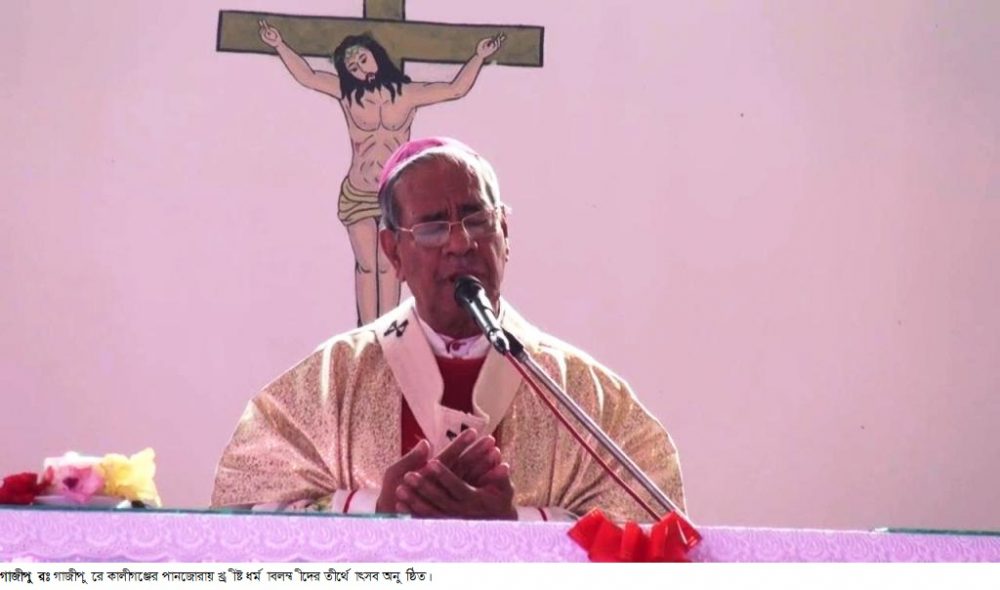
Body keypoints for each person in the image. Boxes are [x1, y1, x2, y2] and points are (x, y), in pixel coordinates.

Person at [212, 138, 685, 522]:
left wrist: (515, 528)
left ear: (505, 233)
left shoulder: (584, 395)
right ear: (393, 252)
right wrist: (374, 511)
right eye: (435, 228)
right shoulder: (328, 384)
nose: (461, 243)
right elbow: (241, 514)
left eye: (477, 219)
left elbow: (655, 530)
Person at [257, 20, 506, 326]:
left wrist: (479, 57)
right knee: (366, 266)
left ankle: (385, 331)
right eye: (351, 65)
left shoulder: (406, 94)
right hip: (358, 191)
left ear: (375, 56)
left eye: (362, 58)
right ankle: (365, 332)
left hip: (393, 197)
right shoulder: (349, 96)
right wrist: (279, 44)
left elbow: (454, 89)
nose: (359, 67)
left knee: (388, 266)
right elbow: (307, 76)